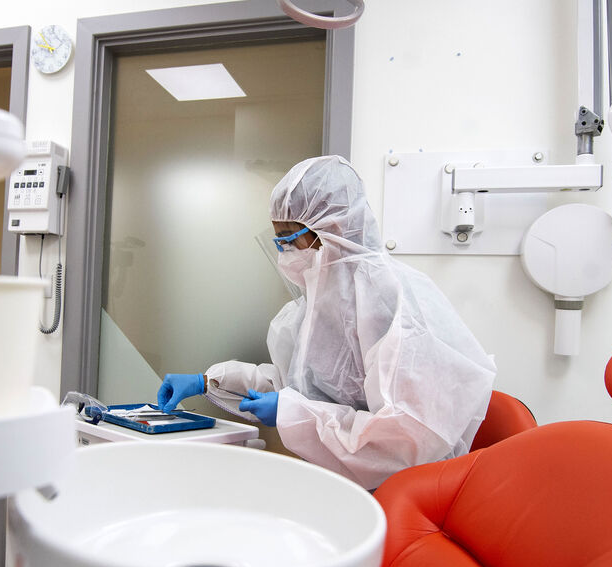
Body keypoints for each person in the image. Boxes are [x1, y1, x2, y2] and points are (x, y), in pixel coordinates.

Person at [157, 156, 496, 490]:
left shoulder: (390, 300)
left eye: (289, 239)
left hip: (409, 493)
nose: (284, 253)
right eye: (279, 241)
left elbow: (404, 438)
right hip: (347, 481)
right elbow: (299, 385)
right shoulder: (323, 298)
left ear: (332, 229)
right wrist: (210, 381)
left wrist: (293, 413)